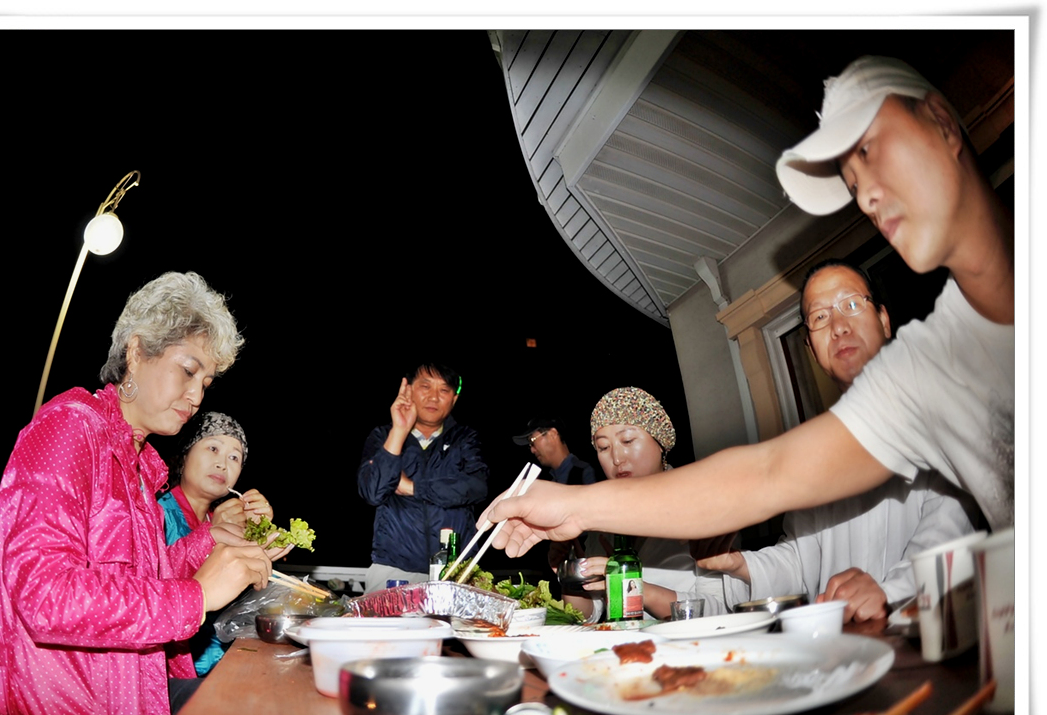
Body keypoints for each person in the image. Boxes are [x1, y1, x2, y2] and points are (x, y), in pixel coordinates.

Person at [484, 56, 1013, 560]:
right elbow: (768, 474)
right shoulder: (925, 369)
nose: (867, 195)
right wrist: (573, 506)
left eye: (870, 151)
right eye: (852, 183)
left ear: (943, 122)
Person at [0, 271, 285, 715]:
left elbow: (144, 584)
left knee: (274, 704)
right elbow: (43, 596)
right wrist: (199, 595)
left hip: (130, 703)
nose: (197, 396)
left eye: (206, 383)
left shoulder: (138, 467)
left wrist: (213, 541)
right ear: (137, 351)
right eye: (188, 371)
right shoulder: (69, 429)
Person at [698, 261, 983, 622]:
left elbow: (952, 531)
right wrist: (739, 564)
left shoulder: (946, 414)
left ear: (884, 320)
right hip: (842, 641)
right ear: (810, 347)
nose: (838, 327)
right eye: (820, 317)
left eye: (851, 304)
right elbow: (799, 559)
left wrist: (889, 591)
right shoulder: (812, 456)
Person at [556, 387, 727, 622]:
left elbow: (721, 608)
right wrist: (570, 573)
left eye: (627, 440)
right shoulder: (604, 515)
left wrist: (630, 585)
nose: (617, 458)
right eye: (604, 447)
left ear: (660, 443)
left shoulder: (702, 505)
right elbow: (589, 615)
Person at [159, 411, 288, 675]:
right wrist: (212, 534)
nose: (222, 464)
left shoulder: (220, 518)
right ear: (185, 454)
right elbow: (158, 592)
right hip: (175, 670)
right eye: (213, 448)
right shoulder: (156, 513)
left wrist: (258, 536)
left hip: (223, 662)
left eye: (234, 457)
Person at [357, 363, 488, 593]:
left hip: (457, 569)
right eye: (425, 387)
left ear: (454, 399)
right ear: (408, 390)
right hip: (394, 568)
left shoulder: (465, 438)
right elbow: (372, 492)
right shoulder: (383, 435)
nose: (434, 397)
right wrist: (399, 430)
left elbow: (476, 486)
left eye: (444, 390)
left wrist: (413, 487)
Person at [512, 417, 596, 485]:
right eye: (530, 445)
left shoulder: (583, 473)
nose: (532, 450)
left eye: (532, 441)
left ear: (552, 434)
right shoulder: (551, 480)